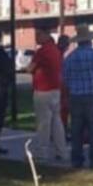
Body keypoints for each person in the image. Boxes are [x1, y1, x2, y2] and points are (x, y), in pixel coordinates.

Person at [62, 25, 93, 170]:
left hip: (75, 97)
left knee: (76, 130)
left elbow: (65, 79)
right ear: (90, 41)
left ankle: (77, 159)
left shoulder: (69, 58)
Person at [27, 28, 66, 162]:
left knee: (44, 122)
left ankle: (42, 151)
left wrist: (28, 68)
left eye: (38, 34)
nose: (36, 38)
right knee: (57, 121)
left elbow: (30, 68)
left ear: (45, 35)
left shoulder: (42, 51)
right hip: (55, 88)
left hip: (43, 90)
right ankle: (62, 151)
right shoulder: (55, 50)